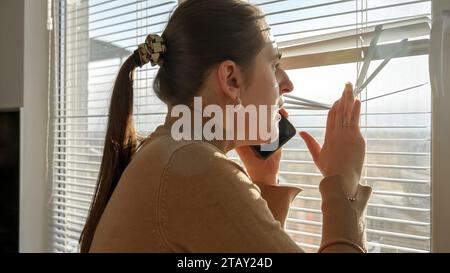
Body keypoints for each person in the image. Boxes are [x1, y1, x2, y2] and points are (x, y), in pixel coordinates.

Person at [80, 0, 372, 253]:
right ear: (231, 79)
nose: (287, 83)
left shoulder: (167, 153)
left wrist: (263, 184)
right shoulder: (193, 166)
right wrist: (342, 181)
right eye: (274, 64)